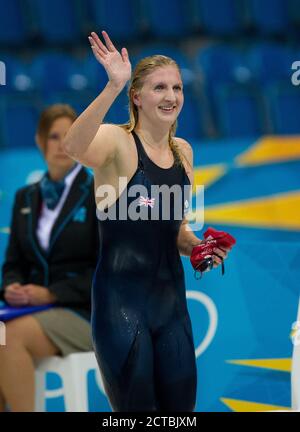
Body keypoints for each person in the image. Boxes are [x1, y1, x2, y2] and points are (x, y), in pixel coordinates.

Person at [62, 31, 232, 412]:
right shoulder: (117, 143)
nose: (171, 96)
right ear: (137, 97)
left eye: (177, 87)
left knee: (180, 416)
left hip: (172, 308)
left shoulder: (183, 152)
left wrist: (201, 248)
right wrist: (112, 86)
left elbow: (176, 232)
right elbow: (72, 147)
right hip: (120, 307)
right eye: (159, 88)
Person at [0, 104, 98, 412]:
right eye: (54, 137)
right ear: (40, 142)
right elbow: (14, 263)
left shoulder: (100, 192)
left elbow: (107, 271)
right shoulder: (25, 198)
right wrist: (13, 287)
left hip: (87, 312)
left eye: (70, 136)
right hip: (34, 311)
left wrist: (52, 293)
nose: (62, 145)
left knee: (7, 337)